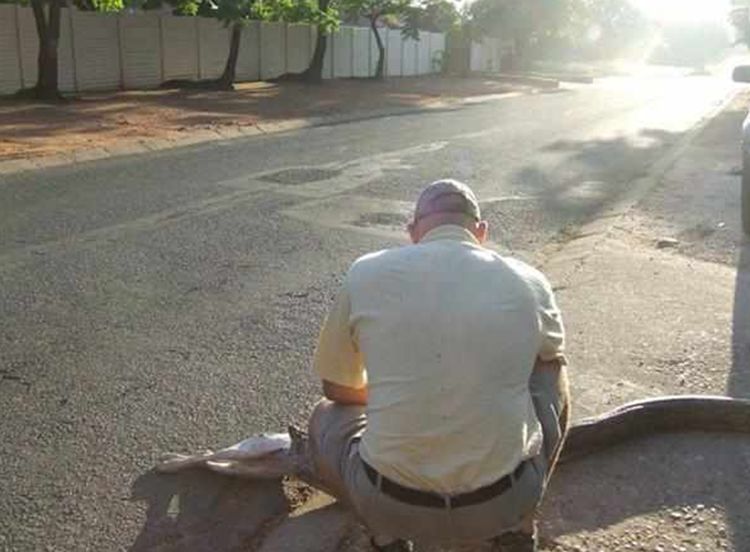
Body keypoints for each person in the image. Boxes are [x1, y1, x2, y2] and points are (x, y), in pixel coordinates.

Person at [307, 179, 570, 552]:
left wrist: (400, 395)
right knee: (553, 365)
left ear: (413, 232)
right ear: (480, 232)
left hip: (388, 503)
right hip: (502, 502)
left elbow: (335, 388)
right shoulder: (529, 280)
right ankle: (520, 524)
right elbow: (547, 360)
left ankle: (385, 536)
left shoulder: (364, 272)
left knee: (324, 415)